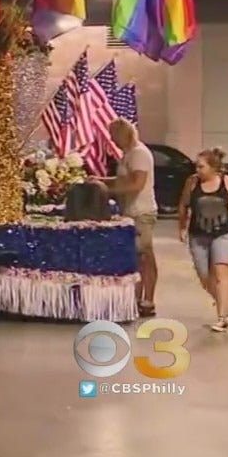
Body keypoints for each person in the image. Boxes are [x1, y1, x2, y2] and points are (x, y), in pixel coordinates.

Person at [177, 147, 228, 332]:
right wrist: (182, 227)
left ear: (213, 168)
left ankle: (222, 316)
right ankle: (224, 306)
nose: (197, 170)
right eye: (196, 167)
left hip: (224, 232)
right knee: (205, 276)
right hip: (198, 234)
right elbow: (183, 206)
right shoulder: (192, 183)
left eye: (201, 167)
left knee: (221, 272)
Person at [93, 119, 159, 316]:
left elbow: (137, 185)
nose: (112, 140)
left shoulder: (139, 154)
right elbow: (122, 179)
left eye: (114, 136)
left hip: (142, 212)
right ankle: (137, 298)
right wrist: (100, 181)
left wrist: (106, 191)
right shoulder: (128, 154)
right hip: (129, 211)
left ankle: (148, 300)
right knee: (136, 258)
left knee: (145, 256)